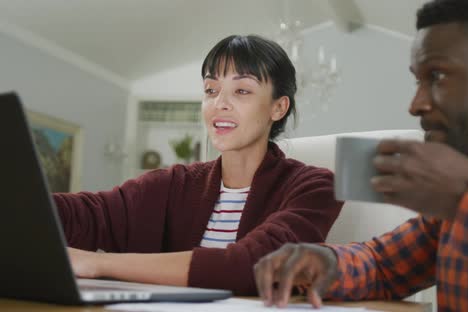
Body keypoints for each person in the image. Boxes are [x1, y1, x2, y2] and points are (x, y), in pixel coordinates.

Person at [254, 0, 468, 310]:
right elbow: (384, 265)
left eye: (438, 76)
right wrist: (327, 262)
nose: (416, 105)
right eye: (419, 81)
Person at [54, 35, 342, 295]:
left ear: (278, 107)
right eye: (211, 89)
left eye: (242, 90)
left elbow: (257, 265)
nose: (220, 103)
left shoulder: (316, 186)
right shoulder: (171, 184)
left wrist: (98, 263)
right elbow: (85, 214)